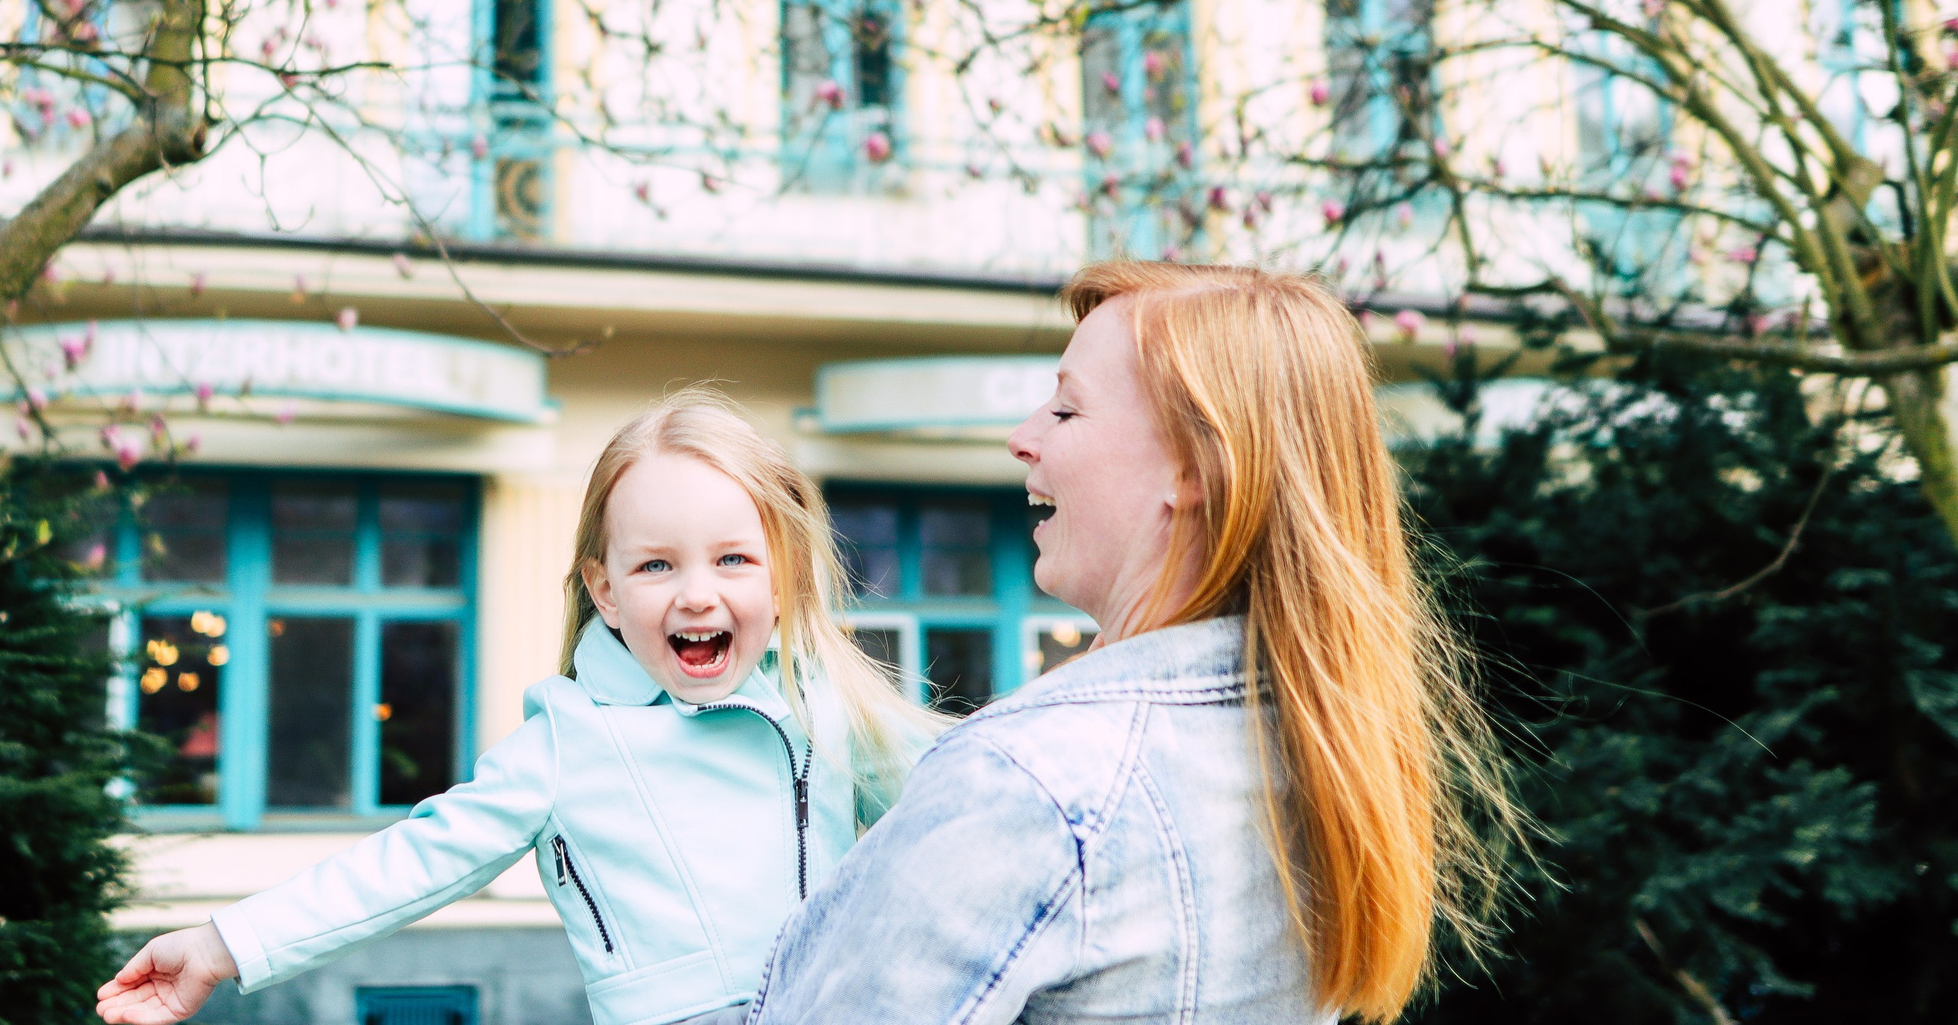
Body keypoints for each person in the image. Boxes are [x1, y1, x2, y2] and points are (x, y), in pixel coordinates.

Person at [746, 261, 1515, 1025]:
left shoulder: (1033, 781)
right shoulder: (1322, 753)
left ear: (1194, 464)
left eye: (1068, 411)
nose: (1022, 438)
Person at [96, 388, 940, 1025]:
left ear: (783, 575)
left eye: (732, 559)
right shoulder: (569, 744)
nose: (696, 594)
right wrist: (219, 944)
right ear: (604, 590)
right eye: (656, 566)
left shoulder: (831, 708)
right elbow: (407, 865)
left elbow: (982, 794)